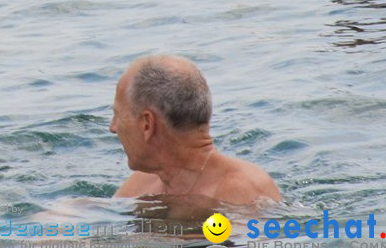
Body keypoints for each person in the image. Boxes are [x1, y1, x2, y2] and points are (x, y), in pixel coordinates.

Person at [110, 55, 281, 206]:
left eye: (117, 115)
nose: (113, 128)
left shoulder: (244, 191)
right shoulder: (142, 185)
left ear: (147, 124)